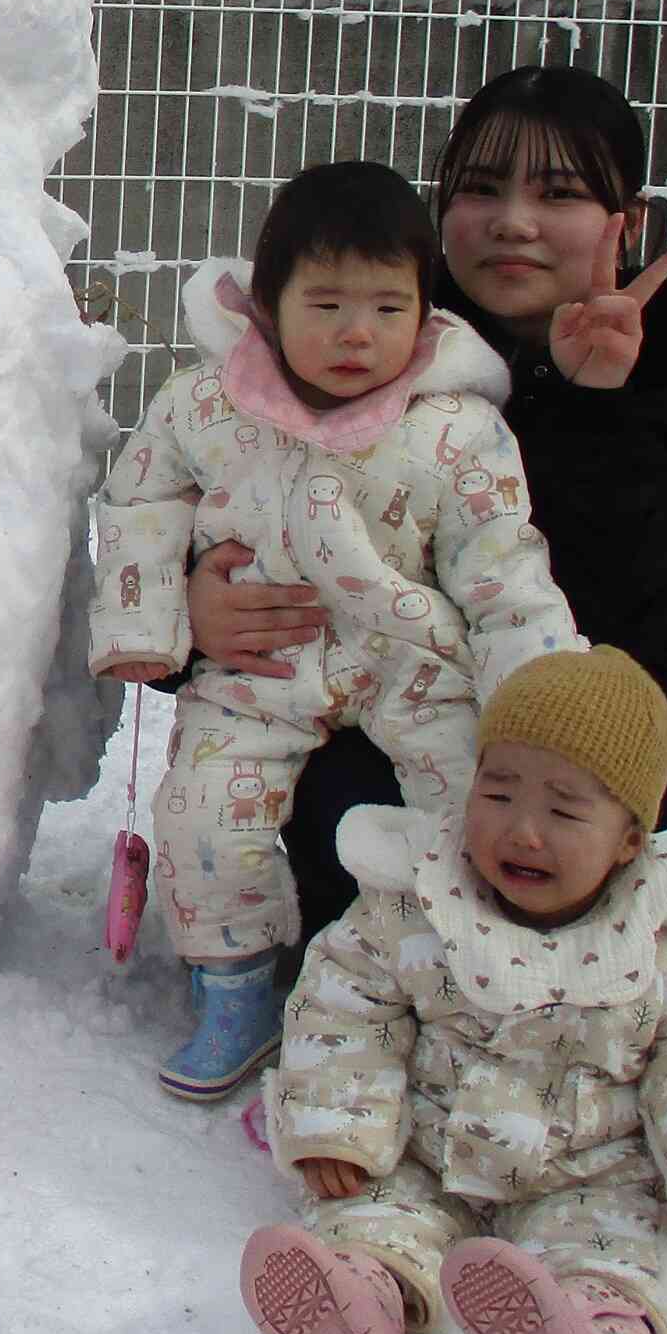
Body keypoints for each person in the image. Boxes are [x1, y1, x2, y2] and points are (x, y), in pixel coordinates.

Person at [189, 69, 667, 940]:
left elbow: (653, 611)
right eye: (481, 189)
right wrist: (201, 601)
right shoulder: (387, 337)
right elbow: (218, 484)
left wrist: (592, 407)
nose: (513, 221)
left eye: (559, 193)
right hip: (378, 690)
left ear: (629, 223)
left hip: (572, 715)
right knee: (339, 798)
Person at [91, 161, 581, 1105]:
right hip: (259, 662)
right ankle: (235, 986)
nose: (359, 333)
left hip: (411, 663)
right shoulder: (208, 405)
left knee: (460, 810)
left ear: (426, 313)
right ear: (266, 307)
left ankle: (458, 990)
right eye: (325, 304)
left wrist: (538, 695)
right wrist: (148, 621)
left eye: (388, 308)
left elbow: (505, 567)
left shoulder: (456, 430)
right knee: (202, 811)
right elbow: (141, 502)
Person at [239, 646, 667, 1334]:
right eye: (497, 794)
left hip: (592, 1170)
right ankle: (357, 1302)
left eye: (564, 811)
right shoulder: (415, 903)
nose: (523, 832)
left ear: (631, 839)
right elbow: (342, 1005)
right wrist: (338, 1125)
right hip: (428, 1150)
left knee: (628, 1252)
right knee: (373, 1215)